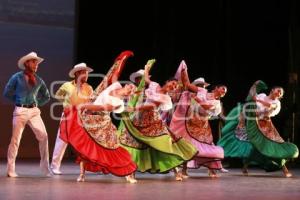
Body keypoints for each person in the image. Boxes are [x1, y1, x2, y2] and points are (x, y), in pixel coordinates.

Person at [119, 61, 198, 181]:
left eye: (176, 86)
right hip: (140, 120)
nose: (174, 87)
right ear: (166, 82)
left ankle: (177, 171)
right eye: (172, 83)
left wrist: (134, 108)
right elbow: (146, 79)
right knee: (135, 145)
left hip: (155, 122)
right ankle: (130, 173)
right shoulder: (154, 85)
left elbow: (151, 106)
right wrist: (147, 68)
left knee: (166, 143)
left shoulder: (166, 98)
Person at [60, 81, 137, 183]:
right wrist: (119, 64)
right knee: (85, 146)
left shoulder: (119, 104)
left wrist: (84, 106)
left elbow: (101, 108)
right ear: (126, 84)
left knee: (112, 148)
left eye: (132, 91)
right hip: (90, 119)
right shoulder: (116, 85)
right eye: (131, 87)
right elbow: (114, 72)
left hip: (102, 123)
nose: (130, 90)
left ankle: (127, 174)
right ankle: (82, 174)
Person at [218, 80, 299, 177]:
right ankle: (245, 166)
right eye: (278, 91)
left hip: (265, 126)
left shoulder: (277, 103)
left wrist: (258, 101)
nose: (279, 93)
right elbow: (250, 101)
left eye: (281, 93)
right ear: (272, 90)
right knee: (253, 148)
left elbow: (270, 106)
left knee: (274, 146)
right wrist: (255, 87)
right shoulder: (262, 95)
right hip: (253, 124)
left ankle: (285, 169)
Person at [169, 68, 226, 178]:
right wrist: (184, 71)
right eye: (223, 89)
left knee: (207, 147)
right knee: (187, 145)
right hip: (190, 123)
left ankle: (212, 170)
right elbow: (187, 84)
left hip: (202, 126)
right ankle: (184, 170)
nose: (201, 87)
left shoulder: (217, 103)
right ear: (216, 88)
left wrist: (198, 100)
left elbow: (206, 107)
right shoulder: (199, 93)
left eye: (202, 85)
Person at [3, 51, 51, 177]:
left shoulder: (39, 80)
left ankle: (45, 168)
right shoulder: (16, 77)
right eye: (34, 62)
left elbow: (46, 96)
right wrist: (18, 101)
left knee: (44, 136)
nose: (36, 64)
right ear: (26, 63)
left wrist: (36, 103)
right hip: (21, 110)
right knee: (15, 140)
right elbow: (7, 92)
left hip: (34, 111)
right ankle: (10, 169)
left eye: (37, 62)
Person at [50, 63, 93, 175]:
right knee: (62, 141)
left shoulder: (89, 88)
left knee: (85, 142)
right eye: (84, 72)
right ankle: (55, 166)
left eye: (87, 73)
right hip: (68, 116)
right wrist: (66, 105)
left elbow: (90, 102)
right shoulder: (67, 85)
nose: (86, 75)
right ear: (77, 73)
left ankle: (87, 167)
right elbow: (58, 95)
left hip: (82, 117)